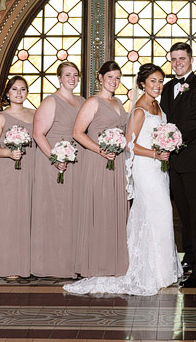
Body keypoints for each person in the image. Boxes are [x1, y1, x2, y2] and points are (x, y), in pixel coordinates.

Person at [63, 63, 182, 295]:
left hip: (158, 168)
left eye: (160, 81)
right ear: (142, 84)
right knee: (158, 212)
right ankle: (149, 271)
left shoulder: (152, 105)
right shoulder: (139, 109)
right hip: (146, 168)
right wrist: (156, 153)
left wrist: (166, 145)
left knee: (158, 215)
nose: (157, 86)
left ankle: (162, 270)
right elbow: (131, 143)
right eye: (152, 81)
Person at [159, 42, 196, 279]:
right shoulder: (167, 86)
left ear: (191, 60)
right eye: (173, 59)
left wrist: (170, 142)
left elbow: (195, 122)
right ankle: (189, 255)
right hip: (173, 162)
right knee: (182, 212)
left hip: (195, 159)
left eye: (182, 58)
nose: (177, 63)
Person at [71, 60, 129, 277]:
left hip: (117, 162)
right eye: (110, 77)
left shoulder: (118, 103)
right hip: (98, 161)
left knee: (115, 210)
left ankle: (113, 262)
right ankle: (95, 263)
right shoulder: (93, 102)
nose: (114, 81)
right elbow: (77, 133)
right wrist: (101, 150)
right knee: (100, 208)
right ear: (100, 78)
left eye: (117, 77)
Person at [31, 61, 85, 278]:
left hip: (75, 164)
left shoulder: (81, 101)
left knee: (72, 212)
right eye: (67, 75)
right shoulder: (51, 101)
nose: (72, 78)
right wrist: (55, 159)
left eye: (75, 75)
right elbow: (38, 134)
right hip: (54, 164)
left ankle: (71, 262)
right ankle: (50, 264)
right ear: (59, 78)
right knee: (55, 211)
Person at [0, 76, 36, 280]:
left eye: (23, 89)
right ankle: (8, 264)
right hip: (8, 171)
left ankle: (26, 263)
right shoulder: (1, 118)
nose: (19, 93)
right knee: (10, 217)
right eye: (15, 89)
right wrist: (8, 154)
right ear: (7, 93)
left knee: (27, 215)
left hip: (31, 169)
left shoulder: (34, 113)